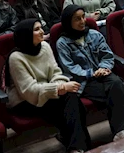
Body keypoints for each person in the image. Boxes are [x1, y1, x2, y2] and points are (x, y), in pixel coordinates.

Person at [6, 19, 91, 152]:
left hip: (46, 92)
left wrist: (61, 86)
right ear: (26, 34)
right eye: (36, 29)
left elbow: (56, 73)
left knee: (71, 99)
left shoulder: (45, 46)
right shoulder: (16, 58)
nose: (42, 32)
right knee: (72, 106)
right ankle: (80, 146)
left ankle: (77, 147)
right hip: (25, 101)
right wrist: (59, 88)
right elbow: (29, 90)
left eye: (41, 27)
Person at [56, 6, 124, 141]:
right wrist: (91, 73)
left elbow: (107, 55)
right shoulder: (62, 43)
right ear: (68, 22)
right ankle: (122, 131)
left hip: (102, 74)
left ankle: (122, 131)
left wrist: (103, 68)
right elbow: (69, 67)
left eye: (83, 17)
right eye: (77, 19)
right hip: (84, 80)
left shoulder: (94, 34)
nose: (82, 21)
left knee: (117, 83)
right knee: (117, 92)